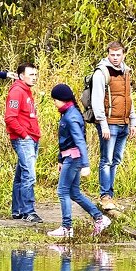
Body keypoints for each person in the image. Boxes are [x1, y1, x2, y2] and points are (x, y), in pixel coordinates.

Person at [46, 83, 112, 239]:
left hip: (74, 158)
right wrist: (60, 160)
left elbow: (80, 141)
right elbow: (65, 140)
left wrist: (85, 164)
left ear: (62, 99)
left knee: (62, 191)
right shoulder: (67, 113)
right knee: (74, 192)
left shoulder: (72, 116)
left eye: (55, 100)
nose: (54, 103)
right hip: (68, 157)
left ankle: (67, 227)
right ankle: (100, 218)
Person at [90, 40, 136, 210]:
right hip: (109, 123)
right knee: (106, 160)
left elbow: (129, 98)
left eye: (118, 55)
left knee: (116, 160)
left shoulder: (126, 71)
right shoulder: (101, 72)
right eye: (112, 55)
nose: (115, 58)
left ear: (124, 54)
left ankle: (111, 195)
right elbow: (96, 101)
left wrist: (133, 121)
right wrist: (102, 124)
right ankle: (105, 196)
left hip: (123, 123)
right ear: (107, 54)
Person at [4, 62, 42, 223]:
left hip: (31, 138)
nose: (34, 78)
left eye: (35, 74)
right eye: (31, 74)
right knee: (29, 175)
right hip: (23, 139)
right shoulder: (17, 92)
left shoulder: (26, 92)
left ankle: (18, 210)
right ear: (21, 76)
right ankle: (29, 211)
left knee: (21, 175)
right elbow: (10, 118)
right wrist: (24, 135)